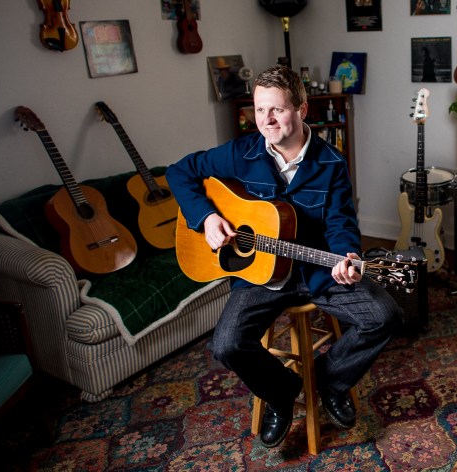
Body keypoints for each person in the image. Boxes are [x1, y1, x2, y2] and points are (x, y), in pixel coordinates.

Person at [166, 65, 402, 448]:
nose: (266, 120)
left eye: (276, 109)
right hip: (261, 275)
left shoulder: (331, 163)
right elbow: (180, 172)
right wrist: (206, 217)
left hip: (316, 270)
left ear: (302, 110)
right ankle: (281, 393)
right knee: (225, 345)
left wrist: (347, 257)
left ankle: (329, 381)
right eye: (260, 110)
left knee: (386, 316)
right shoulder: (241, 153)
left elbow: (341, 222)